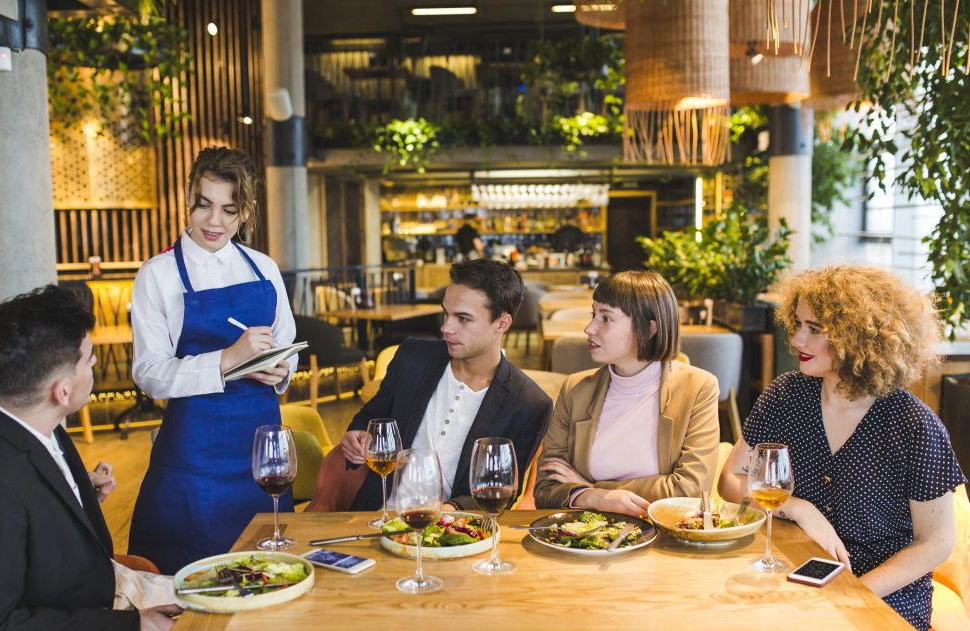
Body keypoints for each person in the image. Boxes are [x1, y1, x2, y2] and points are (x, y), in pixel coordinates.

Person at [0, 285, 182, 631]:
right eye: (89, 360)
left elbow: (28, 500)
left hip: (94, 592)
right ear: (63, 390)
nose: (93, 366)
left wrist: (75, 493)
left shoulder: (13, 406)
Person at [718, 265, 964, 631]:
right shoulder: (786, 396)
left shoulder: (914, 426)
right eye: (798, 324)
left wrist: (857, 594)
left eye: (814, 329)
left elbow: (936, 542)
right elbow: (730, 480)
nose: (797, 340)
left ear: (861, 337)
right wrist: (798, 506)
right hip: (794, 576)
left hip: (883, 594)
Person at [128, 146, 298, 574]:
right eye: (204, 205)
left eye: (229, 209)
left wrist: (281, 370)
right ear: (189, 195)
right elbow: (148, 374)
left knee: (268, 572)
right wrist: (226, 359)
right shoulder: (158, 273)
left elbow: (287, 343)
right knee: (192, 579)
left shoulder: (264, 268)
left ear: (246, 211)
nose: (215, 222)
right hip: (193, 458)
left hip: (262, 453)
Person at [340, 259, 552, 511]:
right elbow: (370, 417)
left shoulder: (529, 403)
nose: (445, 327)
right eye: (446, 313)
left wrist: (450, 511)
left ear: (502, 323)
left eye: (463, 318)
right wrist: (357, 436)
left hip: (455, 534)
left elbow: (503, 489)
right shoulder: (413, 357)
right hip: (375, 518)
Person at [533, 271, 720, 514]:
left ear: (649, 328)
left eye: (606, 318)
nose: (589, 328)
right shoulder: (576, 390)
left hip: (666, 538)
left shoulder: (698, 388)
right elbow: (545, 490)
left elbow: (689, 491)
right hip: (588, 539)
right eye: (593, 315)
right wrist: (596, 497)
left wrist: (591, 491)